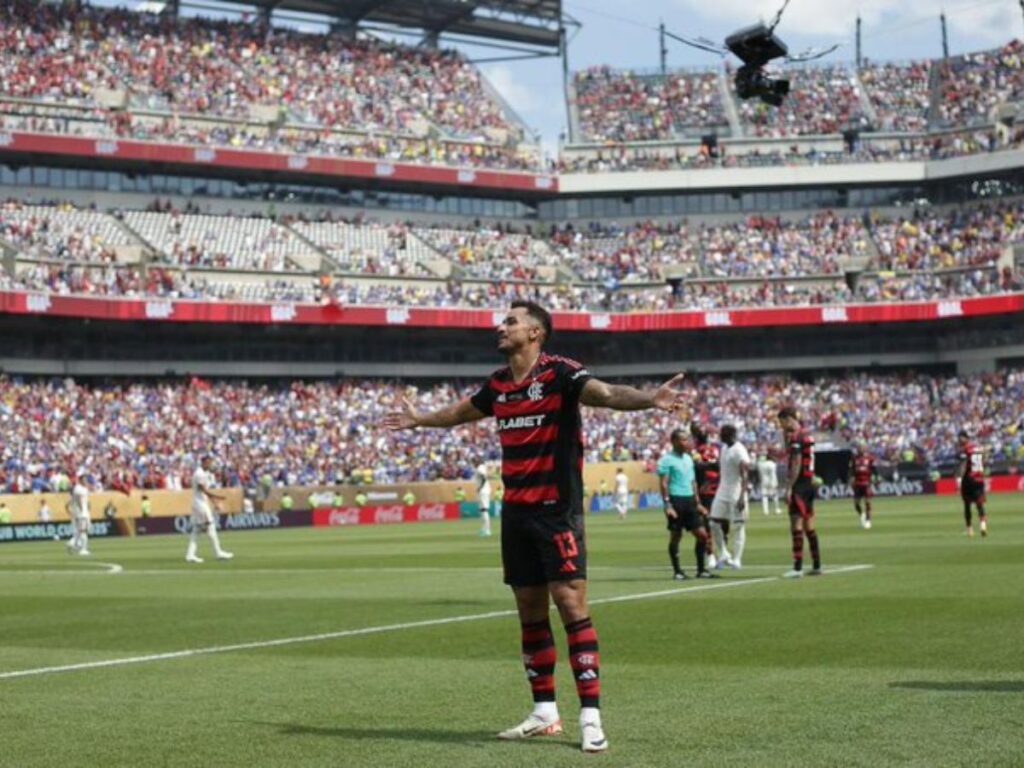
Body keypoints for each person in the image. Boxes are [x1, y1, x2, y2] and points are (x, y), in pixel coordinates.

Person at [383, 300, 687, 754]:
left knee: (570, 604)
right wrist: (421, 419)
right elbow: (464, 412)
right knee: (529, 610)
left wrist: (649, 400)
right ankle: (544, 711)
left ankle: (590, 717)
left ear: (535, 333)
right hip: (517, 514)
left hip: (556, 511)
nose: (500, 327)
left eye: (510, 322)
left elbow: (604, 394)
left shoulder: (561, 373)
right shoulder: (499, 384)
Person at [657, 429, 713, 581]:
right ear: (674, 442)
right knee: (676, 536)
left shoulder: (688, 459)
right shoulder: (666, 460)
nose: (687, 442)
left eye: (687, 439)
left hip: (690, 501)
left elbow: (693, 482)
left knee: (702, 535)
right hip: (676, 500)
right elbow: (664, 483)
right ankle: (677, 571)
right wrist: (667, 504)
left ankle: (701, 570)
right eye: (683, 440)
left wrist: (698, 503)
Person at [778, 406, 821, 578]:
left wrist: (789, 487)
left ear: (788, 419)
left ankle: (797, 568)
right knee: (809, 527)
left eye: (782, 422)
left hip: (799, 485)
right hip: (809, 483)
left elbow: (796, 463)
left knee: (796, 526)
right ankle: (816, 565)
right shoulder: (807, 435)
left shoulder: (797, 437)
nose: (781, 427)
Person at [709, 424, 752, 569]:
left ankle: (737, 559)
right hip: (723, 490)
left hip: (736, 491)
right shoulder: (724, 448)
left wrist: (742, 496)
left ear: (730, 435)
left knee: (738, 526)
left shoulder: (739, 450)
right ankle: (723, 553)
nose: (720, 436)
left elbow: (745, 474)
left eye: (722, 434)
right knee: (713, 522)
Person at [185, 455, 233, 564]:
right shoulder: (199, 474)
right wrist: (217, 498)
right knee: (210, 526)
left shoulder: (204, 473)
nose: (210, 464)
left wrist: (214, 502)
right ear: (203, 462)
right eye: (208, 462)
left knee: (196, 530)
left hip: (200, 503)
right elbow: (203, 490)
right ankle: (218, 552)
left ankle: (190, 554)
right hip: (200, 504)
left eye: (210, 462)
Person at [691, 423, 721, 569]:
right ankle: (710, 554)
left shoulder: (715, 448)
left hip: (718, 489)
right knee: (706, 524)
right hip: (704, 491)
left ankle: (721, 552)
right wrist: (710, 466)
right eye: (698, 430)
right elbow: (695, 467)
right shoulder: (693, 450)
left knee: (721, 524)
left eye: (702, 430)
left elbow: (720, 466)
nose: (702, 432)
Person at [957, 430, 988, 537]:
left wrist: (959, 479)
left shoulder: (965, 449)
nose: (959, 440)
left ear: (965, 438)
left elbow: (963, 464)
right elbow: (984, 460)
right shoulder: (978, 448)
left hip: (969, 480)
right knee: (980, 504)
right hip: (979, 479)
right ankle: (983, 525)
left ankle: (969, 529)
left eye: (960, 437)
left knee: (967, 504)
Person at [849, 445, 876, 530]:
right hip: (857, 483)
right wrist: (851, 479)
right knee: (856, 504)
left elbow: (874, 469)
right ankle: (862, 514)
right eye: (859, 448)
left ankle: (868, 520)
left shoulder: (869, 458)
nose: (861, 450)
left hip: (866, 483)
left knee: (867, 502)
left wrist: (876, 478)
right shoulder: (854, 459)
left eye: (862, 448)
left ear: (865, 449)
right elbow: (851, 470)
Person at [67, 472, 91, 556]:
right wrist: (82, 511)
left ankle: (73, 543)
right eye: (84, 479)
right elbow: (80, 501)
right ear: (80, 480)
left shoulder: (82, 488)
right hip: (82, 514)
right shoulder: (79, 489)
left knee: (80, 531)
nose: (86, 481)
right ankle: (83, 549)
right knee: (83, 531)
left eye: (86, 479)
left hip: (81, 513)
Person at [756, 451, 781, 515]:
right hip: (772, 481)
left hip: (764, 481)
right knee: (774, 495)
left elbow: (758, 462)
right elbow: (773, 472)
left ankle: (766, 511)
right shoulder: (772, 464)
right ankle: (777, 509)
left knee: (764, 496)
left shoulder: (760, 464)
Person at [476, 460, 493, 537]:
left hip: (483, 491)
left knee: (484, 510)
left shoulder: (480, 467)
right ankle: (484, 528)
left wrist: (480, 487)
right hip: (485, 490)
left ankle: (487, 530)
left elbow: (484, 477)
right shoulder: (483, 467)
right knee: (482, 511)